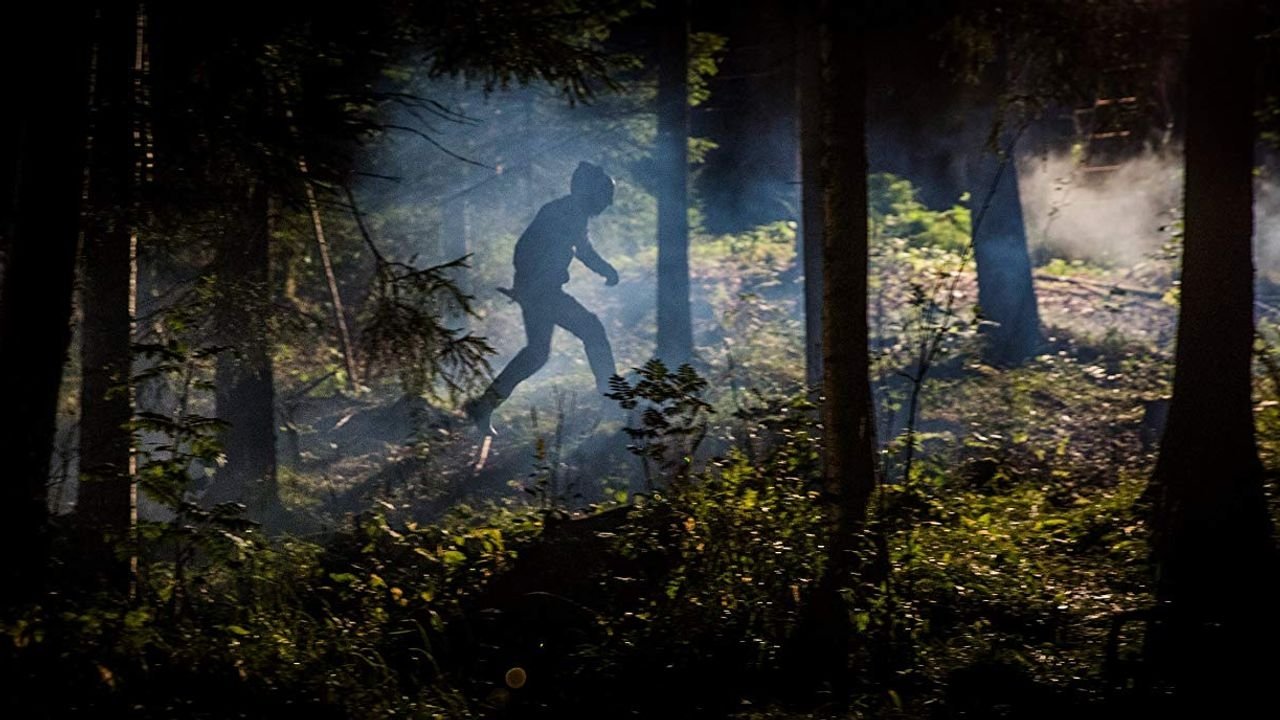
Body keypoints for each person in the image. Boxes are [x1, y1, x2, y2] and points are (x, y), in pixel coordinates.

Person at [465, 161, 620, 435]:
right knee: (592, 330)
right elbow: (527, 249)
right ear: (589, 192)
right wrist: (531, 283)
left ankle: (483, 406)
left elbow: (580, 249)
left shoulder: (569, 212)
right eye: (604, 196)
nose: (607, 203)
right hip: (543, 293)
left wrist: (606, 270)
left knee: (537, 353)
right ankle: (613, 402)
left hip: (540, 292)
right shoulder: (564, 212)